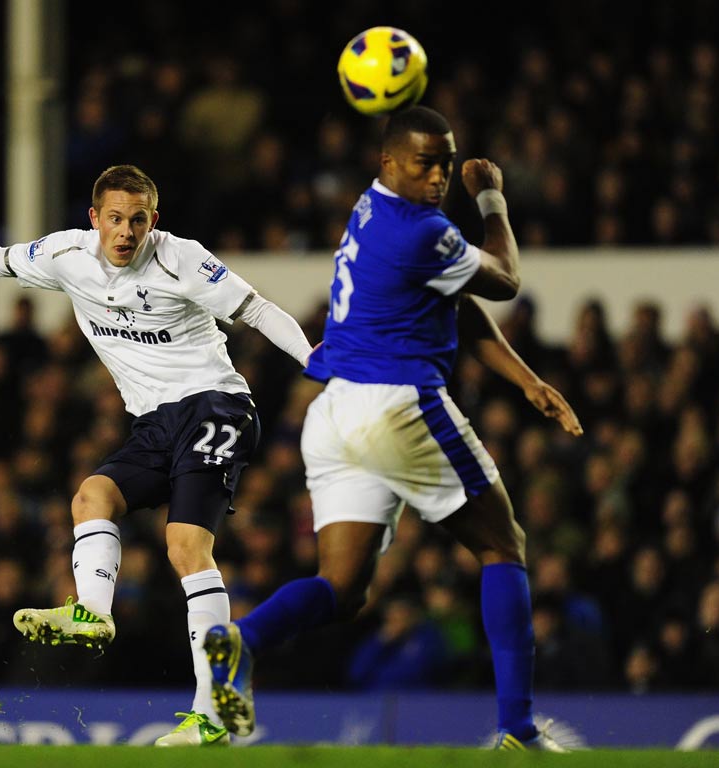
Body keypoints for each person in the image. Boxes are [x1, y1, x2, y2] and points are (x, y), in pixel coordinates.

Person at [0, 164, 313, 746]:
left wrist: (313, 359)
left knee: (185, 546)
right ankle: (94, 613)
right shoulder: (66, 257)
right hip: (153, 423)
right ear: (94, 219)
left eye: (137, 220)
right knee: (91, 497)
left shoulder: (183, 259)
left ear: (153, 221)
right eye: (114, 219)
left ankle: (212, 710)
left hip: (217, 406)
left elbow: (256, 308)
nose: (125, 231)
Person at [202, 107, 583, 751]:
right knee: (502, 545)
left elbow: (454, 301)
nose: (438, 176)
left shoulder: (370, 207)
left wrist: (526, 382)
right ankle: (518, 729)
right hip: (397, 403)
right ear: (389, 162)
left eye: (446, 161)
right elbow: (505, 280)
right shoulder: (425, 231)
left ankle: (245, 642)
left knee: (343, 589)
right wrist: (491, 198)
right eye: (424, 163)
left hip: (332, 414)